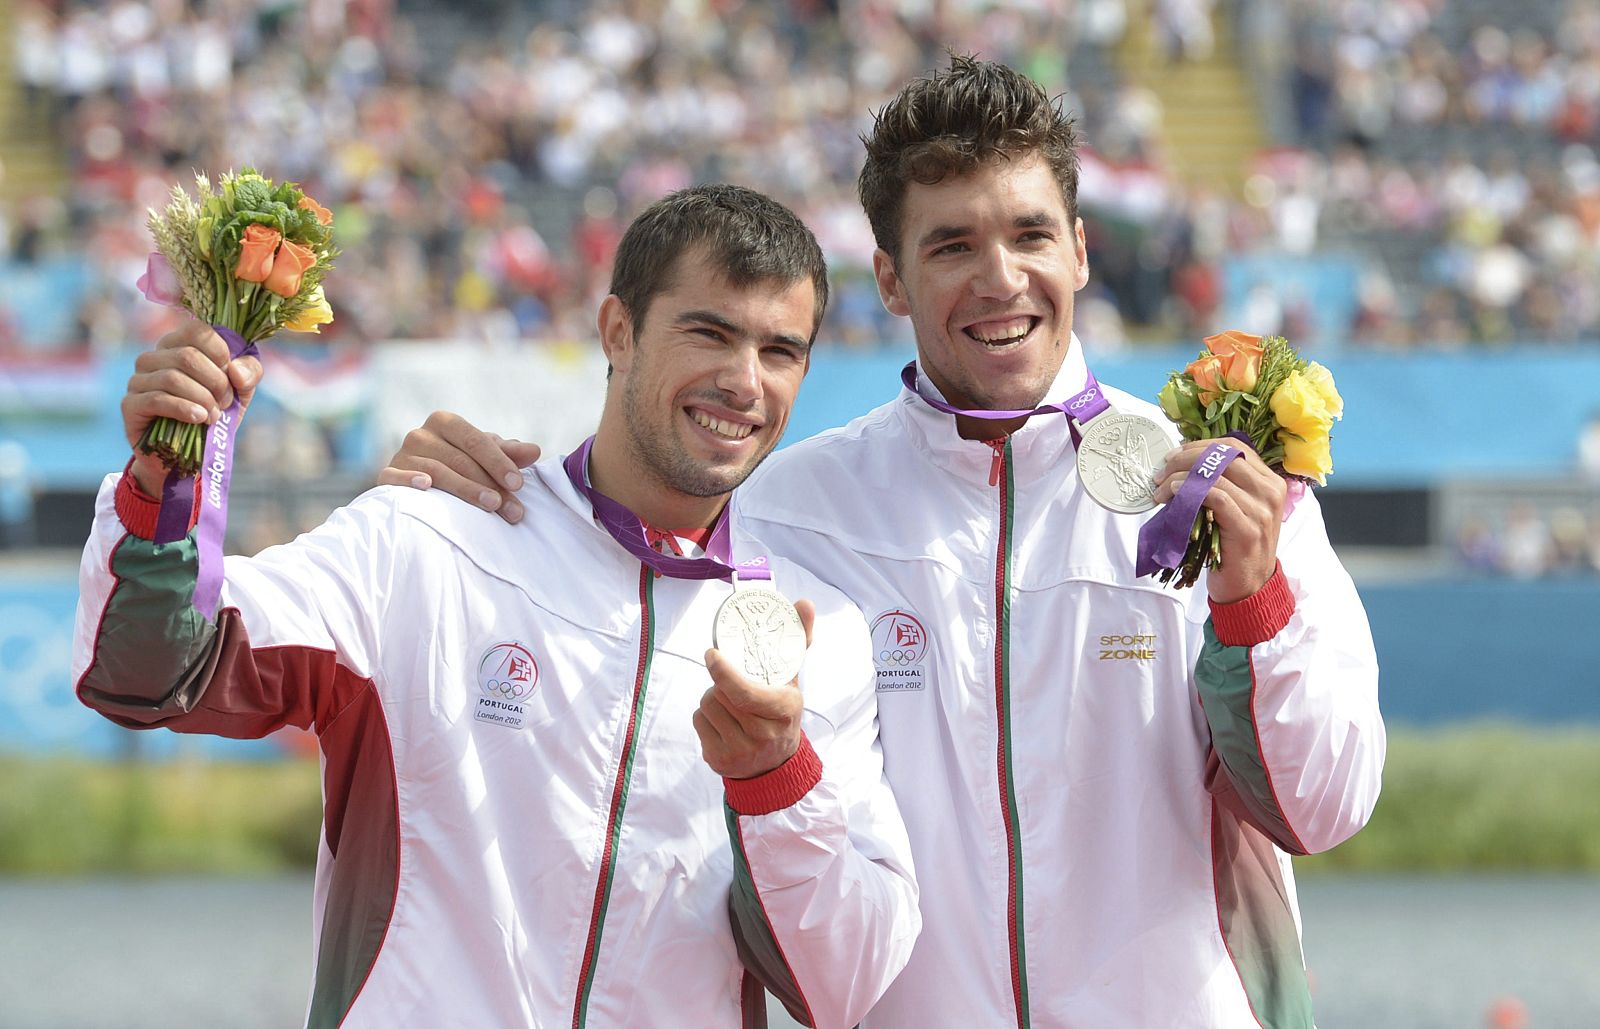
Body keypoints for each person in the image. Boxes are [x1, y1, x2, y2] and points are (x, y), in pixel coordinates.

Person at [389, 56, 1385, 1028]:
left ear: (1079, 249)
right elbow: (604, 608)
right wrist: (480, 491)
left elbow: (1323, 809)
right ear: (893, 280)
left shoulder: (1223, 488)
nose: (1001, 279)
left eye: (1030, 235)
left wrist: (1251, 606)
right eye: (951, 246)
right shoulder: (786, 510)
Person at [70, 185, 919, 1028]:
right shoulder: (430, 538)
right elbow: (149, 672)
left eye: (780, 350)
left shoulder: (823, 641)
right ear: (617, 330)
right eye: (710, 332)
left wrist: (778, 779)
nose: (743, 380)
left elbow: (838, 986)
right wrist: (163, 485)